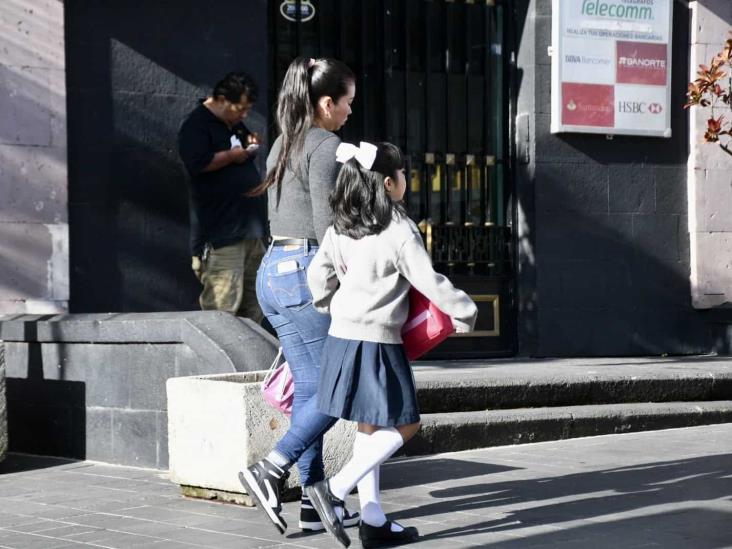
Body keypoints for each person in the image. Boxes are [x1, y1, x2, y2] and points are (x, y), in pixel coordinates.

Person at [304, 141, 478, 548]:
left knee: (370, 425)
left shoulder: (340, 227)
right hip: (377, 342)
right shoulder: (397, 229)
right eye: (403, 174)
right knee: (406, 423)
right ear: (388, 183)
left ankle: (373, 519)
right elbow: (429, 281)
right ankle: (334, 489)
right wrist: (466, 310)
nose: (406, 180)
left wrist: (333, 304)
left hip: (342, 338)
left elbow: (317, 276)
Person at [238, 57, 361, 534]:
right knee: (341, 386)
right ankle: (269, 470)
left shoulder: (282, 145)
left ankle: (312, 502)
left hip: (274, 272)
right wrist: (347, 281)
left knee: (311, 391)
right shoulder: (326, 144)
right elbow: (325, 225)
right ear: (327, 103)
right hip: (307, 270)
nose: (350, 111)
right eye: (348, 102)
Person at [178, 71, 266, 321]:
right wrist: (232, 156)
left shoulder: (233, 123)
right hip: (222, 234)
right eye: (241, 109)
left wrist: (250, 145)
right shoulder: (196, 125)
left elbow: (241, 146)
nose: (244, 115)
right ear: (224, 100)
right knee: (222, 311)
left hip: (251, 231)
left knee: (254, 306)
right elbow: (197, 163)